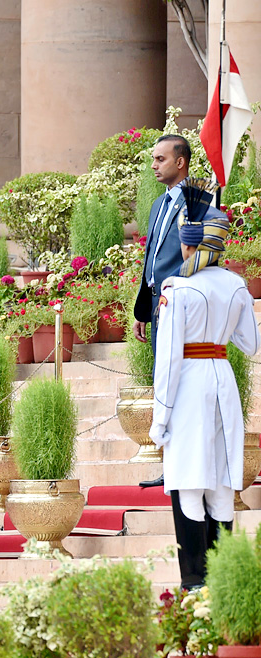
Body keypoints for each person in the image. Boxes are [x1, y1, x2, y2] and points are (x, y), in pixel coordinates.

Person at [149, 182, 260, 590]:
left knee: (187, 482)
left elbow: (169, 363)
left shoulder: (179, 291)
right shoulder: (235, 285)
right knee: (219, 481)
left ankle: (194, 582)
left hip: (192, 386)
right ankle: (224, 579)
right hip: (223, 379)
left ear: (190, 247)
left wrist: (159, 420)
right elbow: (250, 344)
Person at [134, 135, 203, 489]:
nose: (154, 165)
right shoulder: (159, 204)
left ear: (181, 162)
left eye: (160, 159)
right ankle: (171, 462)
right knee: (163, 386)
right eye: (153, 159)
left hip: (182, 307)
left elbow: (198, 258)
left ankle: (183, 462)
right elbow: (154, 256)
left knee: (179, 384)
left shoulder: (198, 203)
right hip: (158, 308)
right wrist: (142, 308)